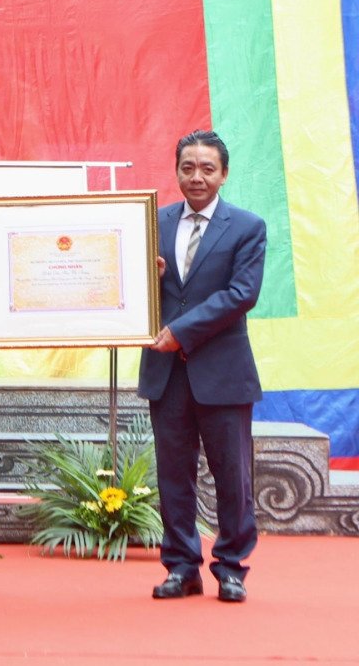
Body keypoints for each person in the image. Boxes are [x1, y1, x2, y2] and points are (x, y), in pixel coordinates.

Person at [140, 129, 265, 604]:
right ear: (176, 171)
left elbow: (241, 295)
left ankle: (231, 567)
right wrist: (140, 278)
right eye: (188, 167)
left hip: (223, 372)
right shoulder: (152, 222)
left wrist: (181, 332)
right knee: (173, 475)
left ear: (224, 174)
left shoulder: (248, 226)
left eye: (207, 168)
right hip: (165, 374)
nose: (197, 177)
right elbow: (129, 289)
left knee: (232, 477)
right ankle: (181, 567)